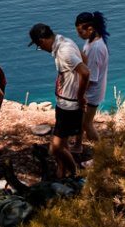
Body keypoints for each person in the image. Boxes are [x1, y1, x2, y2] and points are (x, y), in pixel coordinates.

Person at [28, 23, 88, 178]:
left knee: (55, 148)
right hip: (64, 103)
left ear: (41, 41)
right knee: (64, 141)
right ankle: (61, 173)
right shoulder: (64, 40)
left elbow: (85, 72)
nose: (42, 50)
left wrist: (80, 95)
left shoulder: (64, 52)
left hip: (70, 106)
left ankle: (75, 175)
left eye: (39, 46)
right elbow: (85, 59)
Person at [74, 12, 109, 147]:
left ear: (90, 29)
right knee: (80, 122)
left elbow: (91, 76)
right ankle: (77, 146)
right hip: (91, 92)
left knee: (87, 124)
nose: (79, 35)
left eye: (80, 32)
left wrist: (80, 94)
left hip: (92, 94)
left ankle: (101, 154)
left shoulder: (95, 48)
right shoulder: (92, 42)